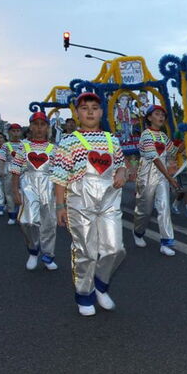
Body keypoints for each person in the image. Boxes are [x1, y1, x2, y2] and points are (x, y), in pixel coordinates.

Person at [53, 93, 127, 316]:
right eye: (85, 108)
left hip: (109, 200)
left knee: (115, 249)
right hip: (79, 201)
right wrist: (59, 206)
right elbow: (59, 177)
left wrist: (122, 173)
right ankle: (84, 295)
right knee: (86, 250)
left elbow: (121, 165)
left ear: (102, 112)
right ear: (77, 113)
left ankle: (100, 285)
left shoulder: (112, 139)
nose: (90, 112)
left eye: (95, 107)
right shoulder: (68, 142)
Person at [11, 112, 58, 271]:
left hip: (49, 186)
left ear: (47, 127)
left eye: (42, 124)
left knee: (49, 222)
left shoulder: (54, 148)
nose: (39, 128)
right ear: (30, 127)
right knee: (27, 221)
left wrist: (61, 196)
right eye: (36, 124)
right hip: (28, 185)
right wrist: (15, 190)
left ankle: (48, 255)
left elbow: (60, 173)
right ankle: (33, 249)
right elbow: (16, 169)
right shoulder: (24, 146)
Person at [132, 104, 179, 255]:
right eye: (157, 114)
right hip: (147, 175)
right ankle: (138, 232)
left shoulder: (163, 136)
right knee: (145, 210)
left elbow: (174, 152)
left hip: (162, 175)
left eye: (163, 115)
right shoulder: (146, 134)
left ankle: (166, 242)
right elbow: (155, 158)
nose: (161, 117)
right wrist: (169, 177)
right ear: (149, 117)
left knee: (164, 206)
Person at [3, 124, 25, 224]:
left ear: (21, 132)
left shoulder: (25, 144)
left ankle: (22, 213)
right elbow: (2, 159)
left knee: (23, 192)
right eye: (13, 131)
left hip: (23, 171)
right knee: (9, 192)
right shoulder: (5, 145)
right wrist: (1, 170)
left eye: (17, 131)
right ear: (9, 132)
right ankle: (12, 215)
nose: (15, 133)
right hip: (10, 170)